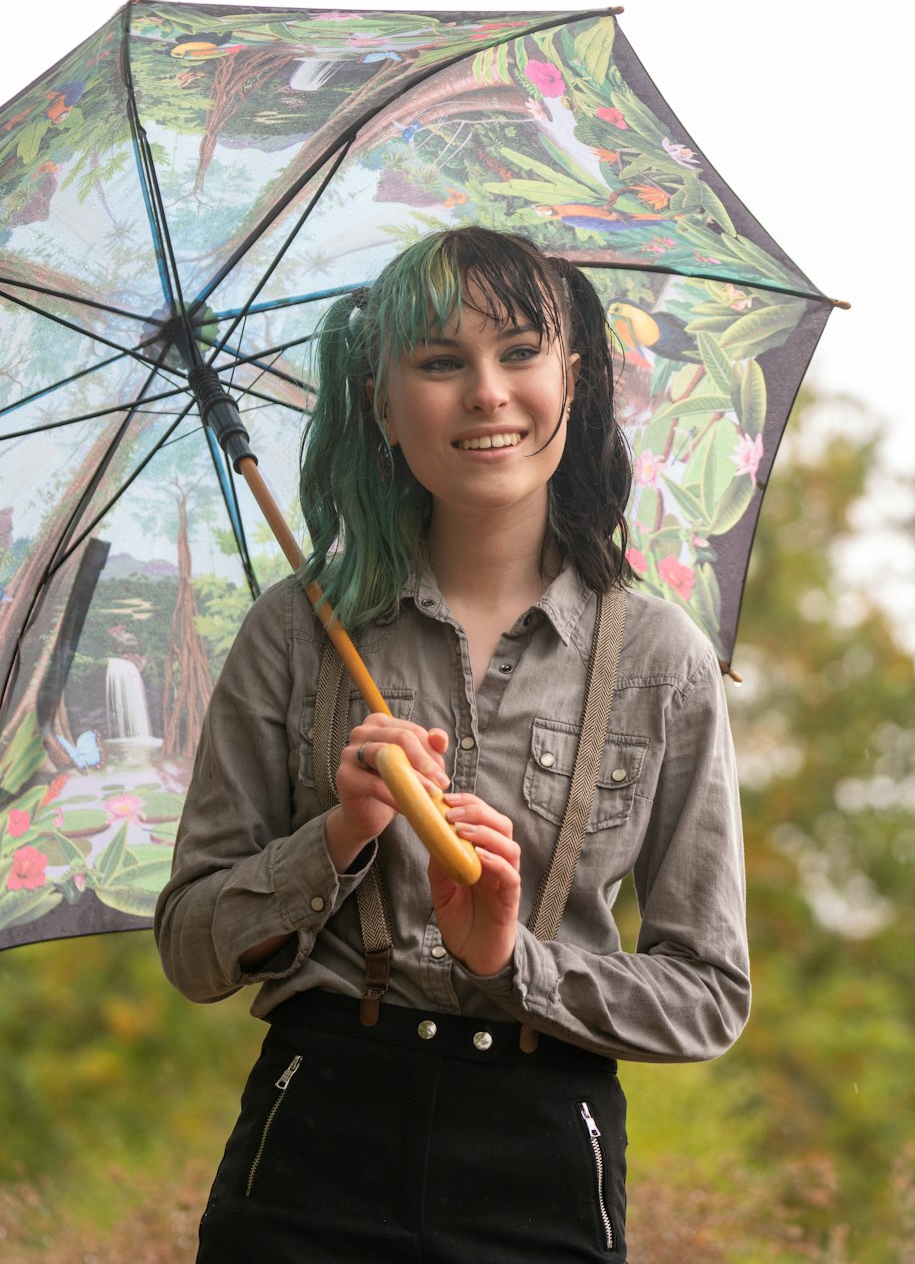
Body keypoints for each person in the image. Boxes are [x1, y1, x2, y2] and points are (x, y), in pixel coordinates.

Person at [154, 226, 750, 1262]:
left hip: (542, 1171)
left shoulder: (662, 660)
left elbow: (708, 995)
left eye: (519, 350)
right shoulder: (295, 630)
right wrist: (337, 838)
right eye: (439, 361)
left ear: (574, 377)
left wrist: (513, 962)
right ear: (381, 402)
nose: (486, 392)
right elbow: (191, 947)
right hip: (309, 1152)